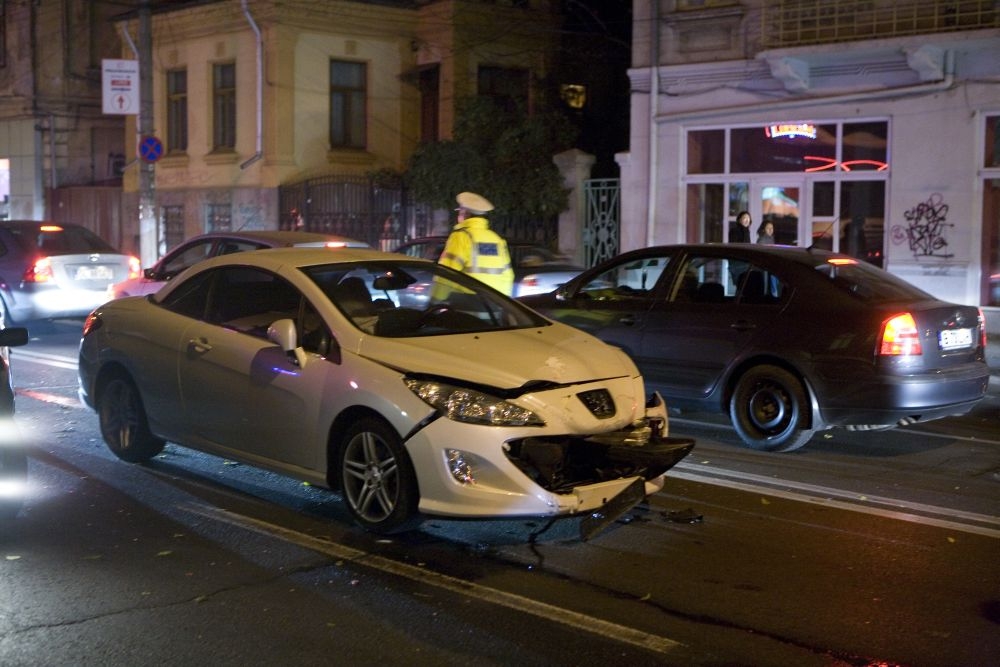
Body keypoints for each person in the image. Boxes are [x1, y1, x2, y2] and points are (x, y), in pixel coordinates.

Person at [438, 192, 514, 295]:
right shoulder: (497, 239)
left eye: (459, 211)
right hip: (494, 304)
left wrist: (437, 299)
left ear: (465, 213)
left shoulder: (461, 236)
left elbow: (446, 273)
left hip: (467, 301)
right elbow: (508, 276)